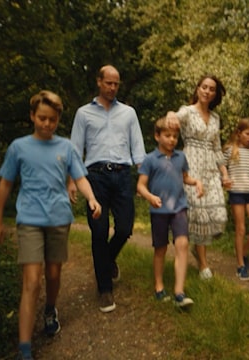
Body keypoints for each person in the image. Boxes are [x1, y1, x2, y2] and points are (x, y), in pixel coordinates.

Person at [0, 90, 102, 360]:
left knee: (53, 275)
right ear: (32, 116)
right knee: (31, 282)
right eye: (42, 118)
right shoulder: (18, 147)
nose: (46, 124)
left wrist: (91, 198)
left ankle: (50, 309)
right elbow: (6, 183)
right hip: (29, 220)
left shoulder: (66, 148)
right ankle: (25, 348)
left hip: (58, 220)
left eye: (52, 120)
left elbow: (80, 178)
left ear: (57, 120)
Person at [69, 65, 146, 312]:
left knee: (125, 228)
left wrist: (144, 178)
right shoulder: (83, 114)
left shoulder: (129, 113)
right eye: (108, 83)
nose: (112, 87)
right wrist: (72, 180)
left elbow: (139, 149)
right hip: (95, 177)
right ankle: (105, 290)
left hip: (123, 176)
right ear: (99, 82)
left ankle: (107, 260)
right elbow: (74, 150)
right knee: (99, 233)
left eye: (116, 84)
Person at [166, 75, 231, 280]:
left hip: (211, 168)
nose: (207, 91)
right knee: (199, 215)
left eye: (212, 89)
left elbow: (217, 147)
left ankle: (197, 250)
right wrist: (170, 114)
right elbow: (174, 118)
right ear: (198, 89)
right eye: (204, 87)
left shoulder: (215, 118)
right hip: (191, 166)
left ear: (215, 93)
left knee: (219, 215)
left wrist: (225, 173)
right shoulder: (187, 111)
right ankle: (203, 264)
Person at [137, 116, 204, 308]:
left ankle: (179, 292)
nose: (172, 140)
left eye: (175, 136)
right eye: (167, 135)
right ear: (157, 136)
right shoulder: (150, 159)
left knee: (182, 244)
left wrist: (197, 182)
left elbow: (185, 178)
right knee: (161, 249)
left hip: (179, 207)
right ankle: (159, 286)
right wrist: (150, 197)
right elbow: (140, 186)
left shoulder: (180, 157)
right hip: (158, 210)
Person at [222, 117, 249, 281]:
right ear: (239, 133)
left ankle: (244, 252)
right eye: (247, 134)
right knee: (240, 229)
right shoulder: (230, 150)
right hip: (237, 194)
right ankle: (241, 266)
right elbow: (220, 168)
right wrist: (224, 180)